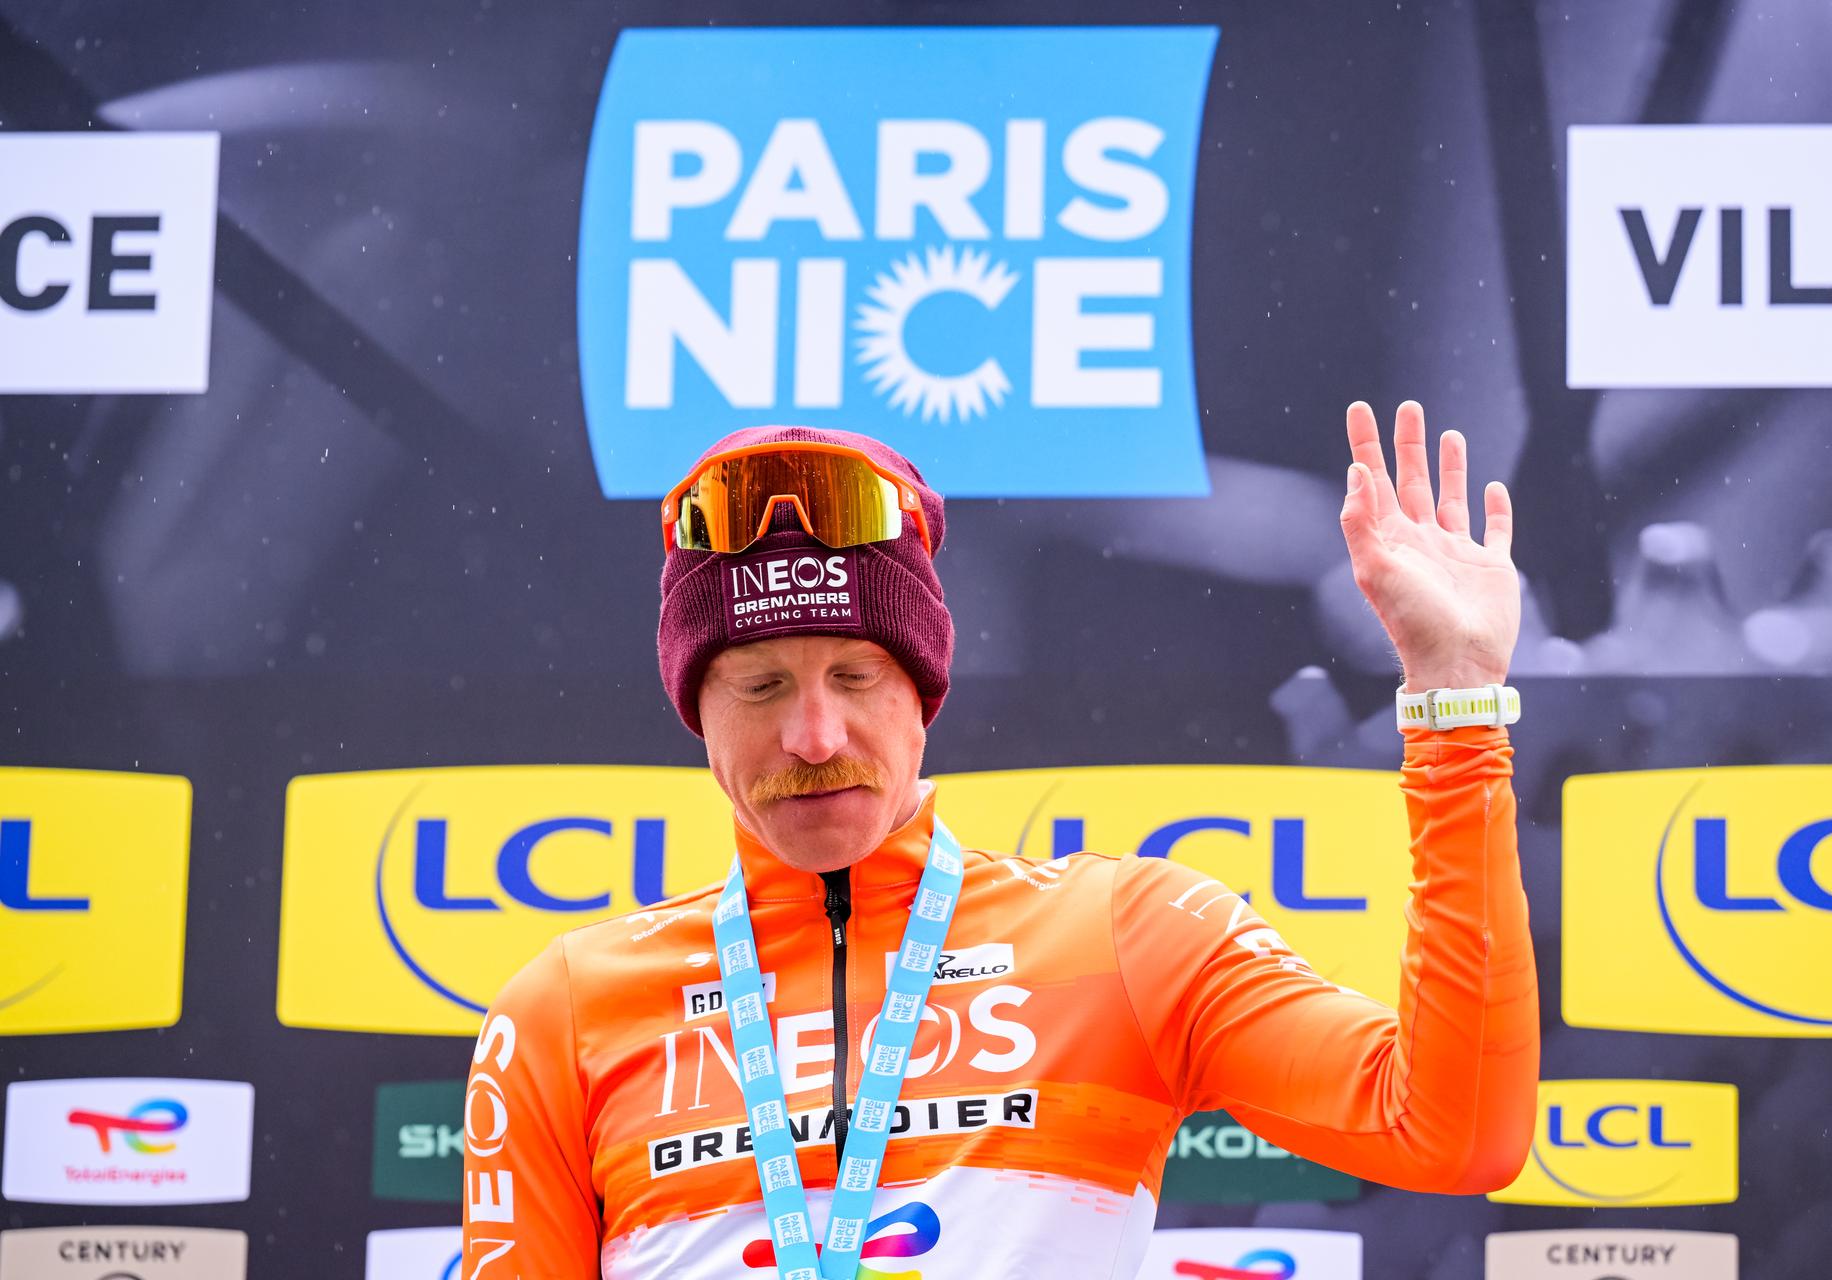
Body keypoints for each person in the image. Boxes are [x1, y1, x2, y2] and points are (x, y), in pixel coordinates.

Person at [460, 406, 1537, 1280]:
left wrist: (1454, 706)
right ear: (697, 708)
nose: (815, 735)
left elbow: (1455, 1129)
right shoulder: (564, 1010)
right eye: (760, 684)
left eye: (855, 676)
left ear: (924, 692)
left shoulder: (1128, 933)